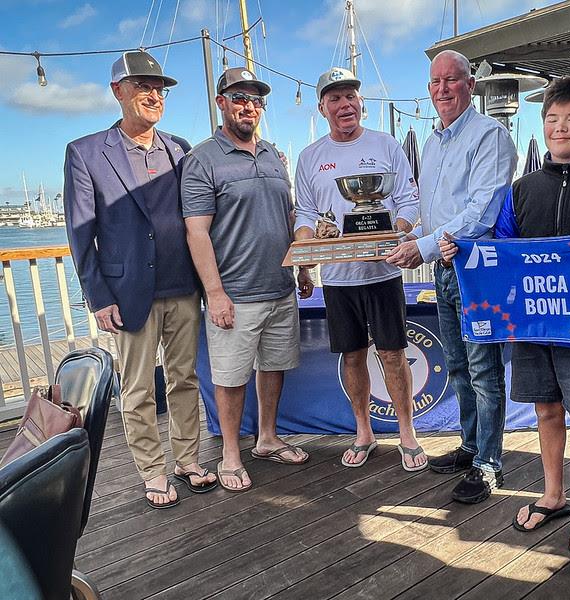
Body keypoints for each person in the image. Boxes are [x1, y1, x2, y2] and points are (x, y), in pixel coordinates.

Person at [441, 77, 570, 552]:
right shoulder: (520, 191)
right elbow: (499, 249)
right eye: (552, 119)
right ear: (543, 127)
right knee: (545, 409)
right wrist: (462, 249)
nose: (561, 128)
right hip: (532, 324)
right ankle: (553, 493)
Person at [64, 50, 217, 509]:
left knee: (185, 378)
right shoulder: (86, 152)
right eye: (142, 86)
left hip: (183, 287)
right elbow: (80, 233)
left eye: (159, 88)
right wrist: (97, 297)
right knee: (137, 387)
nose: (153, 94)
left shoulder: (180, 149)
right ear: (118, 91)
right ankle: (152, 470)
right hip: (128, 292)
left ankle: (188, 460)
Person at [386, 50, 517, 504]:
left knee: (483, 372)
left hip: (476, 270)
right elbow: (432, 213)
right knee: (460, 368)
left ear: (470, 86)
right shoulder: (432, 141)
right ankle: (470, 445)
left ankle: (489, 463)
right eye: (435, 82)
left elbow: (481, 213)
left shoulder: (490, 135)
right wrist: (404, 235)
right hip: (445, 269)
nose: (442, 89)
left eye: (452, 80)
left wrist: (419, 246)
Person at [182, 67, 314, 492]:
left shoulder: (274, 154)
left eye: (256, 100)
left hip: (280, 287)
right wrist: (215, 294)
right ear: (221, 103)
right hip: (234, 296)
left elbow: (290, 217)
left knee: (273, 367)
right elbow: (196, 231)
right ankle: (231, 454)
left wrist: (305, 267)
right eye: (239, 98)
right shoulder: (202, 159)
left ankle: (267, 439)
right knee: (230, 376)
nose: (248, 107)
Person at [293, 67, 426, 472]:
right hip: (337, 279)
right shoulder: (310, 156)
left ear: (361, 102)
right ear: (322, 107)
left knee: (392, 352)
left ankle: (407, 432)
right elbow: (305, 212)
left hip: (383, 273)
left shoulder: (386, 145)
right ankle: (363, 431)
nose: (344, 104)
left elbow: (409, 201)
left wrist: (393, 234)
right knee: (351, 356)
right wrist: (306, 246)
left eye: (350, 96)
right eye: (335, 98)